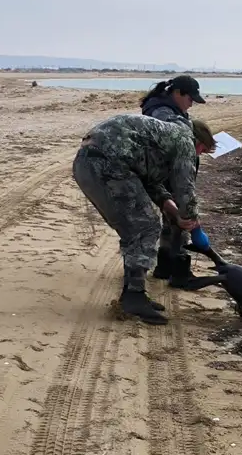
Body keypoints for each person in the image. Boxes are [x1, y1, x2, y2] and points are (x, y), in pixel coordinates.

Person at [72, 113, 215, 325]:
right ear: (199, 141)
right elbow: (185, 188)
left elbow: (149, 181)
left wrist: (172, 210)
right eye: (202, 151)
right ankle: (133, 297)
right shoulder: (184, 139)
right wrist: (191, 219)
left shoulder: (164, 138)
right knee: (145, 227)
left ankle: (134, 293)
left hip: (87, 163)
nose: (198, 156)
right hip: (107, 163)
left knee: (135, 228)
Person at [139, 75, 214, 290]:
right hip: (165, 171)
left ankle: (164, 266)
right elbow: (174, 139)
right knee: (179, 218)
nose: (191, 104)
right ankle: (178, 271)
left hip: (164, 169)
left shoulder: (169, 109)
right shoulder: (162, 112)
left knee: (171, 220)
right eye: (191, 99)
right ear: (178, 93)